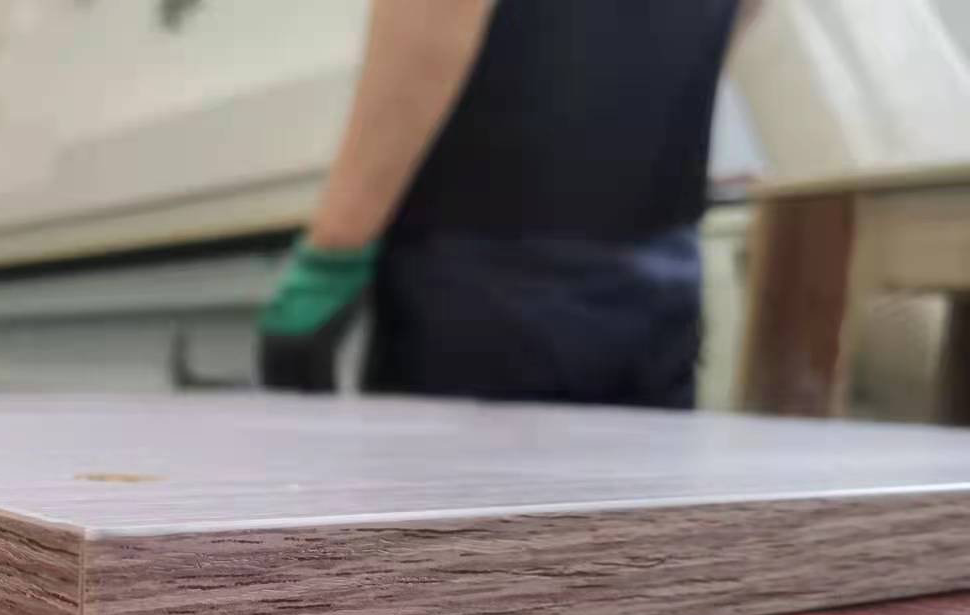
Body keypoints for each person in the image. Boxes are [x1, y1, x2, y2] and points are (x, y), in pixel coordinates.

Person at [259, 0, 760, 407]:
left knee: (461, 501)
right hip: (662, 271)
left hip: (489, 272)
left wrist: (334, 250)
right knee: (636, 497)